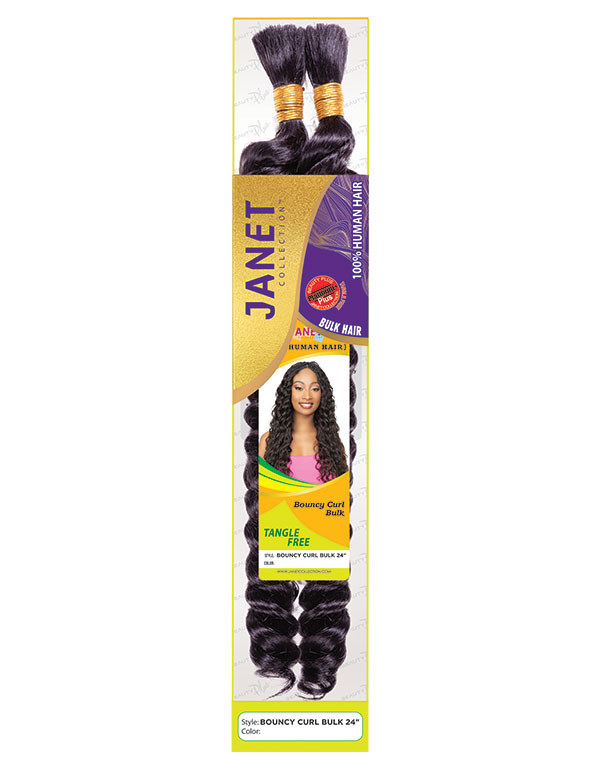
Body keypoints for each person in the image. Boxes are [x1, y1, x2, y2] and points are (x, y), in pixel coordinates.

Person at [259, 361, 348, 484]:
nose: (307, 396)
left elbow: (342, 490)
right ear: (288, 392)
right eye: (299, 388)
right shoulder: (268, 441)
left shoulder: (333, 442)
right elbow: (261, 491)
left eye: (315, 389)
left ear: (322, 394)